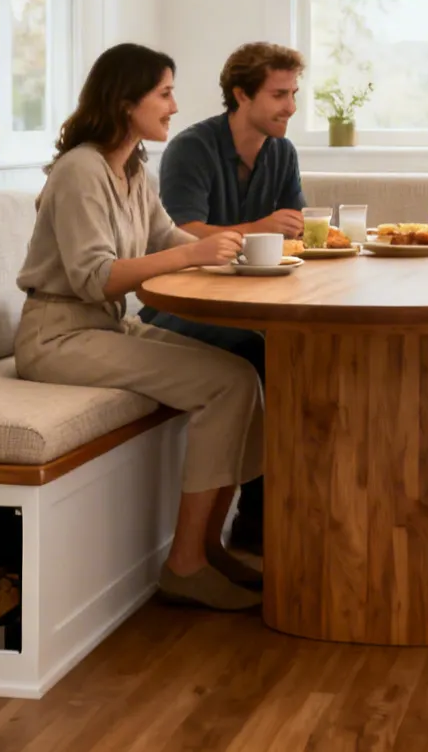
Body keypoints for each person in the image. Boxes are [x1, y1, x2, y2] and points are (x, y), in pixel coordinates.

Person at [15, 43, 265, 611]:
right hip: (57, 336)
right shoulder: (82, 169)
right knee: (223, 385)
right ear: (126, 101)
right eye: (165, 92)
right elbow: (93, 278)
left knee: (242, 373)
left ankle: (206, 545)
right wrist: (190, 257)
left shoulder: (130, 166)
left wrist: (232, 252)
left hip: (104, 328)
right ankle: (184, 565)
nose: (175, 106)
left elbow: (165, 238)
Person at [140, 41, 307, 553]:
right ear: (241, 94)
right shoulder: (193, 147)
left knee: (295, 349)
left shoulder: (282, 152)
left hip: (251, 299)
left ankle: (296, 508)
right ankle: (257, 523)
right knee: (262, 350)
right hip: (178, 308)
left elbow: (293, 236)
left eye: (293, 93)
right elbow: (181, 232)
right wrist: (259, 226)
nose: (290, 107)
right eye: (279, 95)